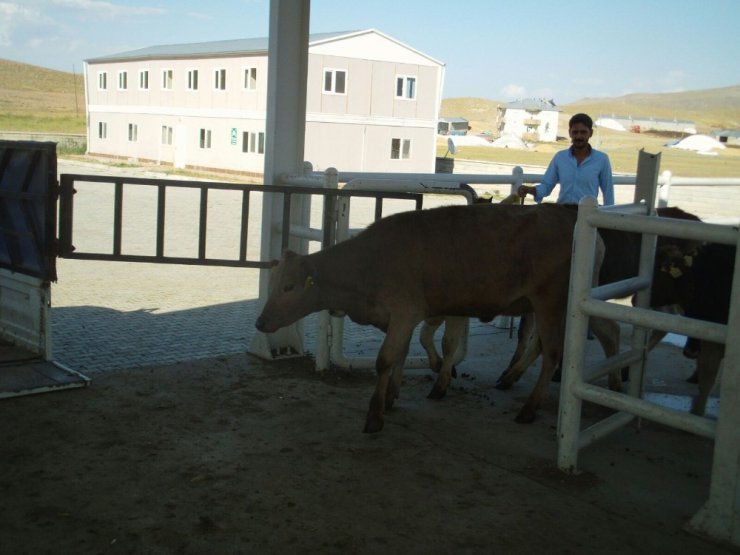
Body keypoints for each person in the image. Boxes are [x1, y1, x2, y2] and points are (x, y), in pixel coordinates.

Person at [518, 113, 614, 206]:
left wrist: (609, 217)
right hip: (562, 214)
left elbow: (608, 193)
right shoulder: (560, 157)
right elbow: (546, 186)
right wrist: (529, 190)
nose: (579, 136)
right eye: (575, 132)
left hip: (587, 215)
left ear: (591, 133)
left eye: (583, 132)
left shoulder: (602, 160)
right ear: (570, 133)